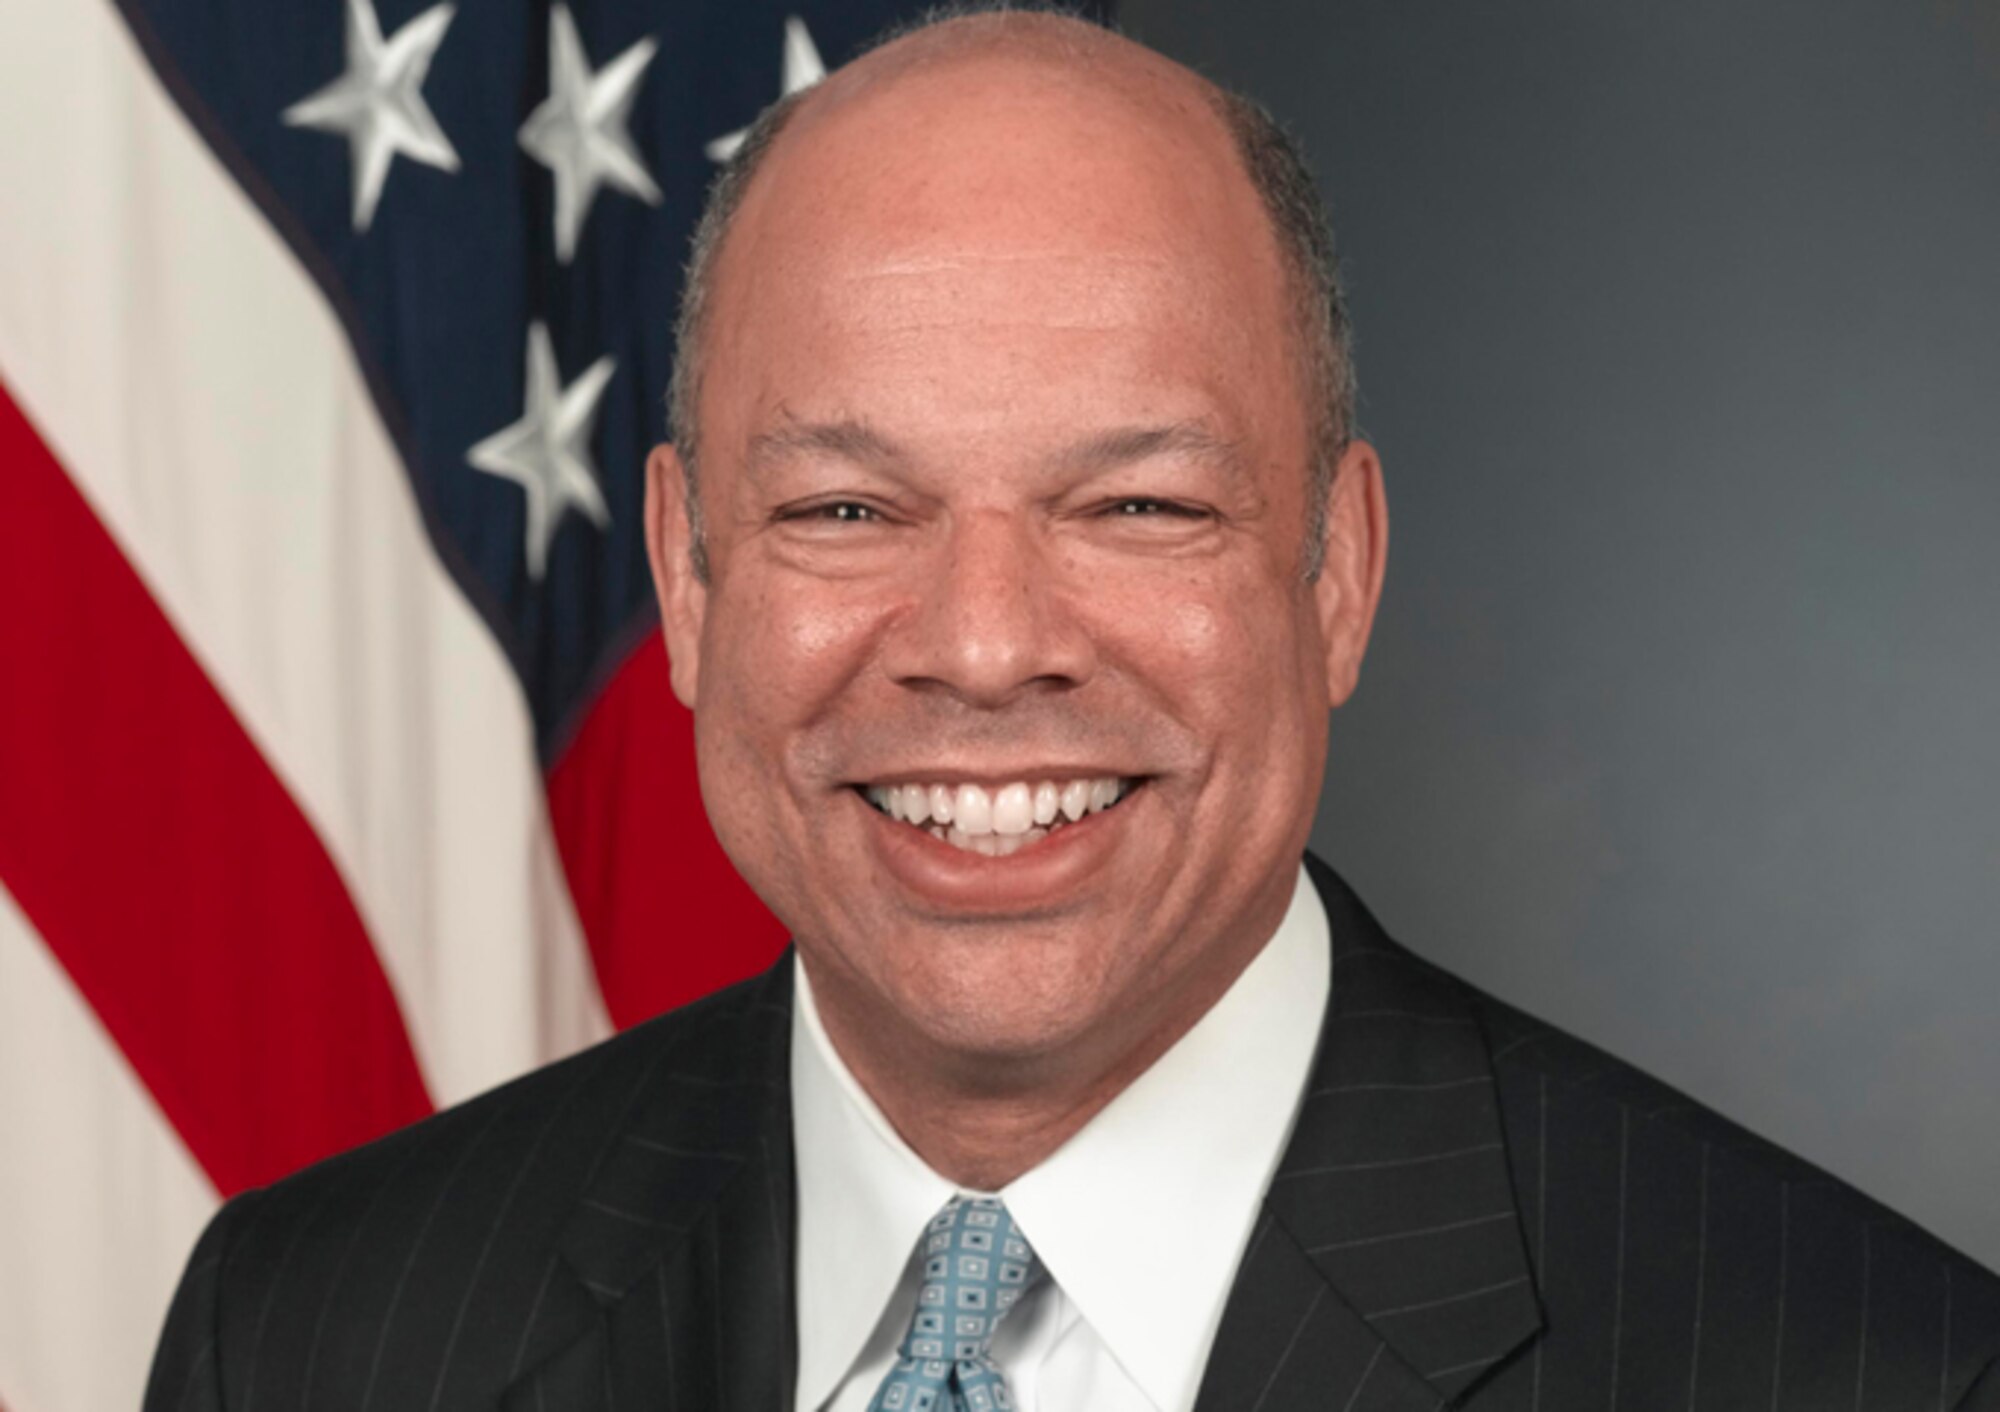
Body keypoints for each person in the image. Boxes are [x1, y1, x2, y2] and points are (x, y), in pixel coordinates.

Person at [146, 10, 1999, 1411]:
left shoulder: (1857, 1369)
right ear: (690, 579)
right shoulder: (309, 1335)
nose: (979, 645)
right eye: (846, 510)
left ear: (1336, 576)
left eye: (1136, 505)